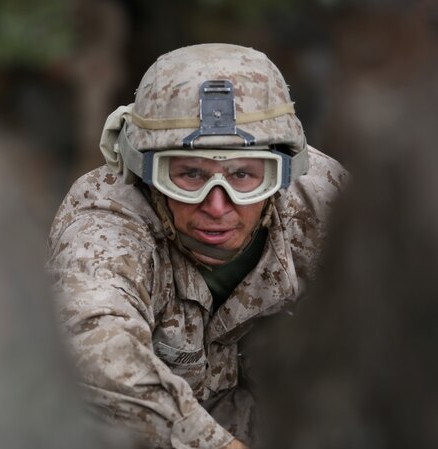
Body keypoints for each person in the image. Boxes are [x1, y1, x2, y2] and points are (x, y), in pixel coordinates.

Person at [46, 43, 348, 449]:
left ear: (283, 171)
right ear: (146, 169)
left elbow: (404, 315)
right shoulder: (106, 221)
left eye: (243, 175)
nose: (217, 204)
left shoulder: (324, 201)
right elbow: (91, 349)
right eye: (189, 175)